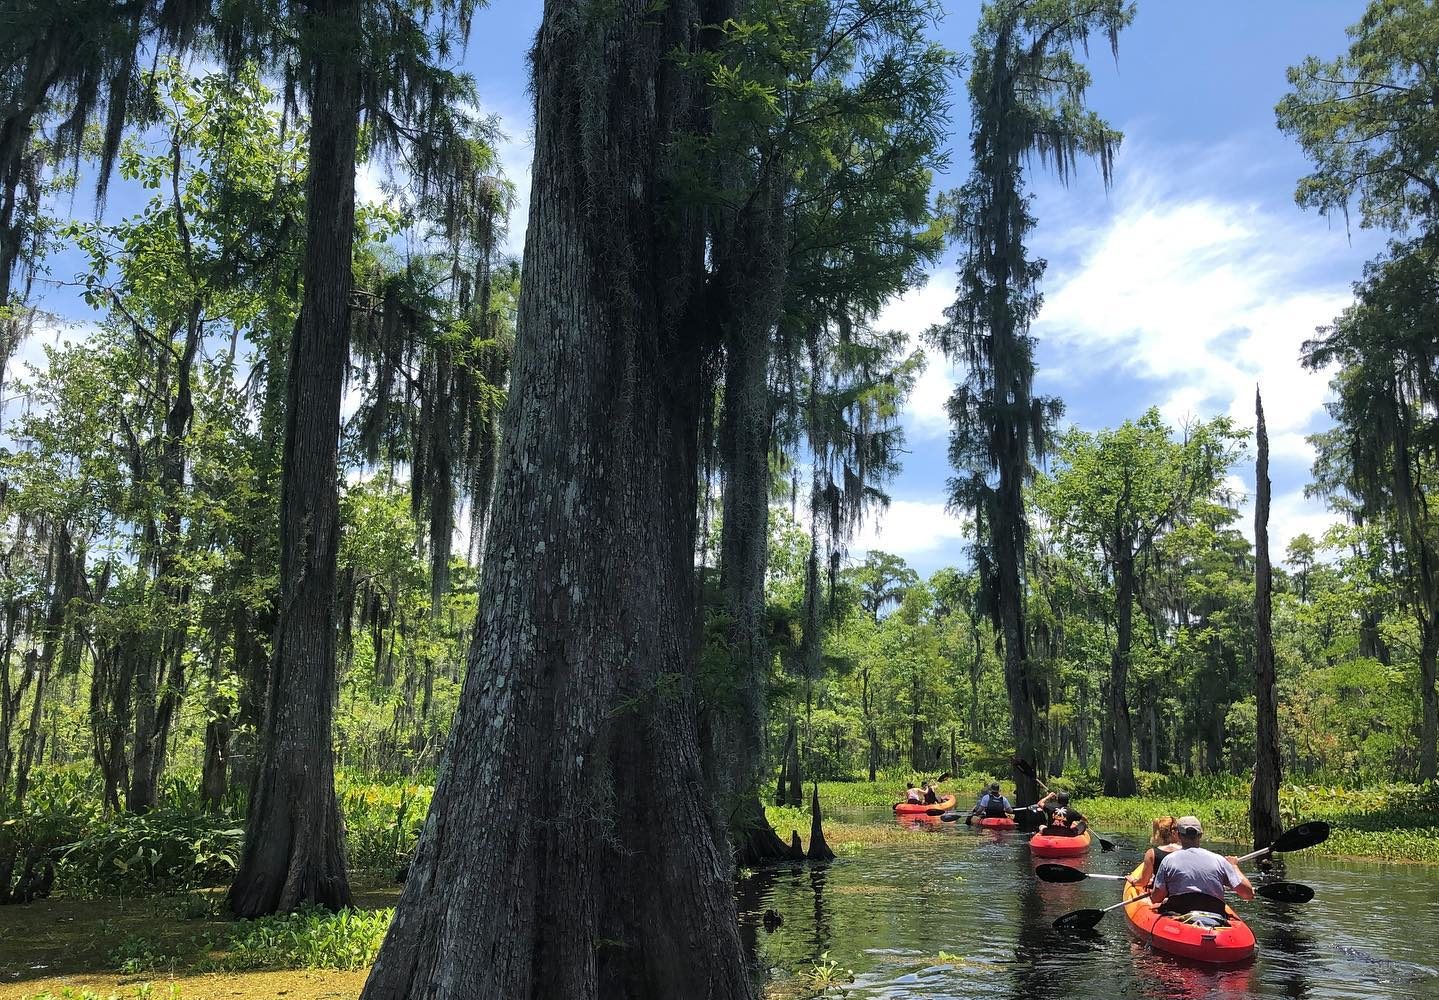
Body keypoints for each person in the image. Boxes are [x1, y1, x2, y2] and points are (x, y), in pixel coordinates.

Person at [1149, 816, 1255, 917]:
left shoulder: (1168, 860)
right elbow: (1248, 894)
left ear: (1178, 835)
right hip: (1214, 916)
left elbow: (1156, 898)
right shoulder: (1220, 860)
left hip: (1179, 915)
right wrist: (1234, 866)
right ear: (1200, 835)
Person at [1129, 816, 1180, 888]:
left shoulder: (1151, 853)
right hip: (1181, 891)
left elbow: (1143, 882)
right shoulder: (1186, 850)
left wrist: (1132, 881)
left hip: (1160, 892)